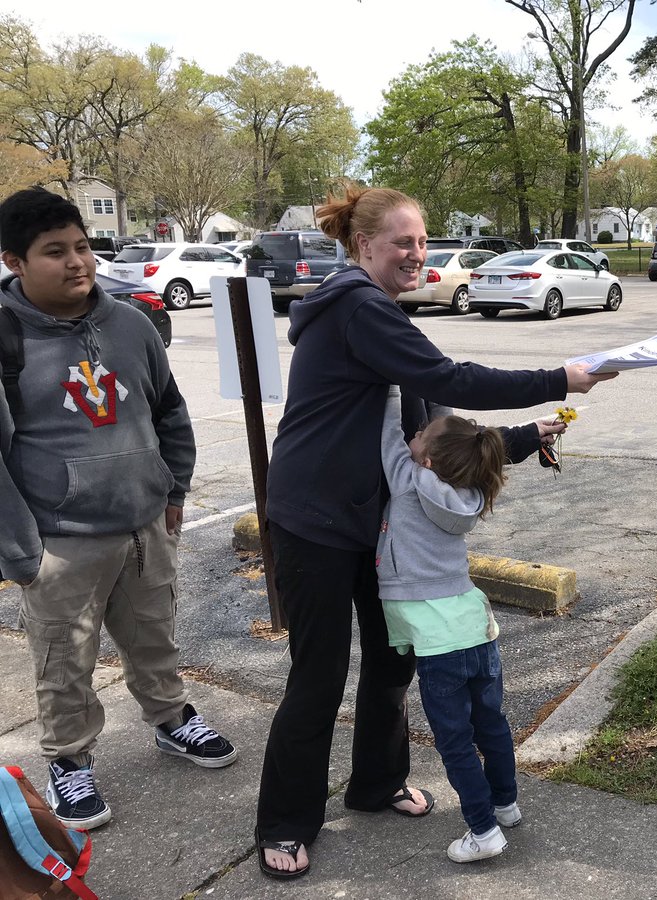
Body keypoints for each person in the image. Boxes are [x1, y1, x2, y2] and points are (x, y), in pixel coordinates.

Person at [255, 185, 614, 879]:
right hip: (317, 520)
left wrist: (511, 440)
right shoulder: (358, 306)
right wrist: (560, 377)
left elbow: (434, 427)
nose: (417, 254)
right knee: (320, 674)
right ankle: (285, 821)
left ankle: (375, 784)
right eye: (402, 242)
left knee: (393, 662)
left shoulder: (378, 309)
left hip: (374, 519)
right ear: (364, 247)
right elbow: (449, 377)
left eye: (422, 241)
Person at [0, 188, 236, 831]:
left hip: (142, 523)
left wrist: (174, 491)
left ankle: (170, 718)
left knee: (153, 631)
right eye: (55, 252)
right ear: (14, 261)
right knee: (63, 659)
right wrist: (21, 547)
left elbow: (169, 410)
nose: (77, 262)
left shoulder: (130, 323)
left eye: (81, 247)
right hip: (59, 539)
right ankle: (70, 759)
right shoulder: (5, 336)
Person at [377, 406, 522, 863]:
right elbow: (443, 434)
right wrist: (440, 406)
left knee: (455, 742)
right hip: (477, 627)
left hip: (440, 643)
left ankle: (483, 832)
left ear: (428, 461)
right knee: (491, 724)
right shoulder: (471, 489)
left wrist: (391, 385)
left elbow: (386, 431)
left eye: (420, 434)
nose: (413, 434)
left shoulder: (406, 478)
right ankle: (506, 804)